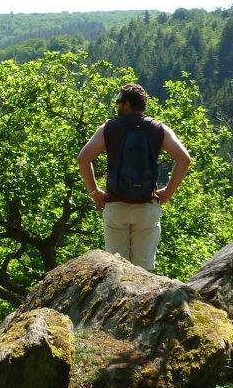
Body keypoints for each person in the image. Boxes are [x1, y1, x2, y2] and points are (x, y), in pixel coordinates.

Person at [77, 83, 191, 271]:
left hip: (116, 205)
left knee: (115, 268)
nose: (117, 106)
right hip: (146, 207)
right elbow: (184, 159)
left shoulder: (109, 128)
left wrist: (94, 191)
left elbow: (83, 159)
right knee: (144, 270)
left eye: (118, 102)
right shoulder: (158, 128)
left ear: (127, 104)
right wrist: (168, 192)